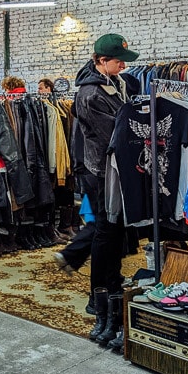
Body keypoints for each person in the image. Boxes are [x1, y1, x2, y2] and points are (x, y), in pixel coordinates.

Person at [67, 34, 140, 335]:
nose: (123, 65)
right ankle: (96, 296)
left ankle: (112, 283)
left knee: (114, 230)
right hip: (98, 171)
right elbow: (113, 131)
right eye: (117, 60)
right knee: (104, 232)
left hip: (112, 168)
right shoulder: (90, 95)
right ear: (100, 60)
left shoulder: (116, 84)